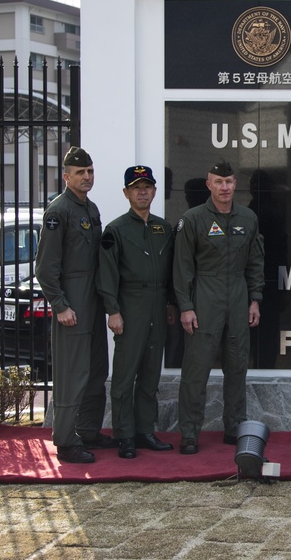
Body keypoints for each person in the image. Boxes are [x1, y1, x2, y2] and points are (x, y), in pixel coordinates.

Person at [174, 161, 265, 455]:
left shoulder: (248, 218)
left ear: (235, 183)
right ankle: (189, 433)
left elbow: (254, 262)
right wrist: (186, 307)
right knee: (196, 370)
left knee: (237, 367)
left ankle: (234, 427)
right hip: (205, 298)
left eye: (228, 181)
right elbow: (182, 268)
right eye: (218, 182)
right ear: (208, 185)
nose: (224, 187)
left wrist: (254, 299)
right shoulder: (193, 219)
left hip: (238, 298)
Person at [35, 146, 115, 463]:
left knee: (97, 368)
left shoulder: (90, 208)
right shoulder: (59, 211)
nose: (87, 177)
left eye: (90, 171)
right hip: (73, 300)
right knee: (73, 372)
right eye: (80, 172)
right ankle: (66, 441)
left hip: (93, 297)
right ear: (66, 176)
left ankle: (89, 431)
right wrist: (60, 304)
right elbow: (45, 268)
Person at [97, 166, 176, 459]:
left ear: (154, 191)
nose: (142, 192)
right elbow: (107, 275)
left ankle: (145, 431)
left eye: (147, 187)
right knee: (124, 375)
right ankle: (124, 434)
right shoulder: (115, 230)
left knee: (150, 374)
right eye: (136, 187)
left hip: (157, 305)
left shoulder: (163, 227)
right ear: (126, 193)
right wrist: (113, 311)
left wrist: (169, 304)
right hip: (130, 305)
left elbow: (170, 271)